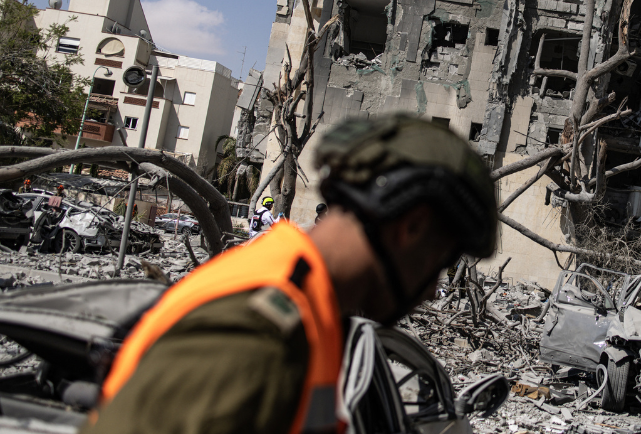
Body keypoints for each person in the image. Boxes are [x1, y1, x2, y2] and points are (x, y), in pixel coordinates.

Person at [83, 115, 497, 434]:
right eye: (439, 264)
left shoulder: (310, 306)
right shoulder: (255, 333)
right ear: (412, 228)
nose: (431, 292)